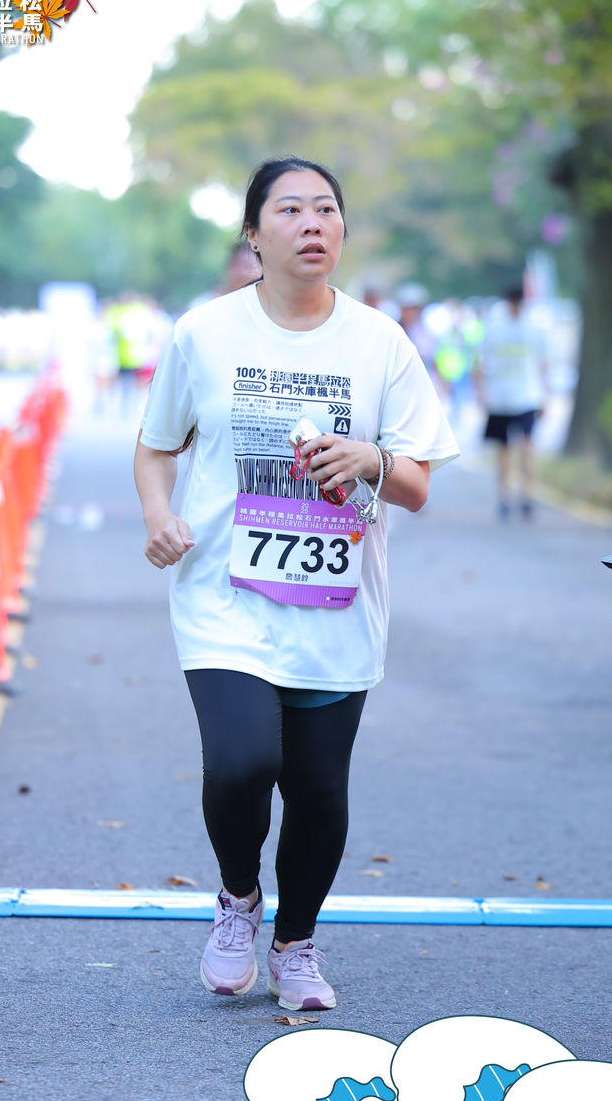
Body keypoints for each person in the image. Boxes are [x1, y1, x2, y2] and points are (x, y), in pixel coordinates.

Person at [133, 156, 458, 1012]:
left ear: (341, 230)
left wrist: (372, 458)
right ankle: (238, 896)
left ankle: (295, 943)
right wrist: (158, 514)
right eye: (289, 210)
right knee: (242, 763)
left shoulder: (380, 343)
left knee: (316, 789)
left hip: (336, 601)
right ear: (253, 234)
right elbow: (156, 446)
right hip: (223, 594)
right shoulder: (204, 333)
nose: (311, 223)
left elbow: (417, 485)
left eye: (325, 209)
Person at [475, 284, 548, 520]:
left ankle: (527, 495)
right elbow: (481, 361)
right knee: (503, 451)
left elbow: (543, 363)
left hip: (526, 397)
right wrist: (481, 392)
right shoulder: (495, 327)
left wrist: (545, 395)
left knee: (527, 448)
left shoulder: (533, 328)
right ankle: (504, 496)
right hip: (500, 398)